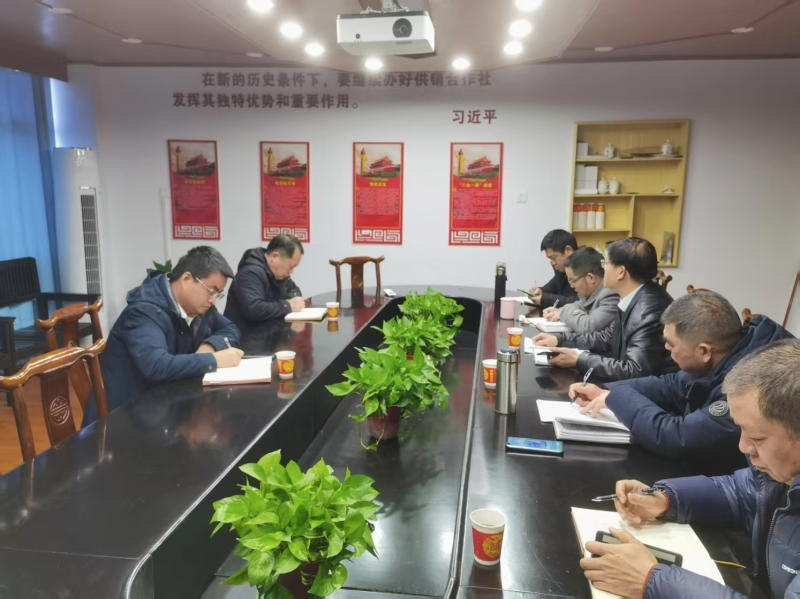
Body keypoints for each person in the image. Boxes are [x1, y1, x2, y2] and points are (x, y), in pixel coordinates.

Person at [579, 340, 800, 599]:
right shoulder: (780, 474)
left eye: (757, 438)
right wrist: (667, 499)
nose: (743, 447)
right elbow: (742, 494)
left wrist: (653, 582)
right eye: (741, 429)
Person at [569, 291, 794, 458]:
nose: (666, 348)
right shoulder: (731, 350)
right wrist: (607, 391)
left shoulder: (756, 382)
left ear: (705, 351)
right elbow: (672, 384)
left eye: (671, 343)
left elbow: (678, 437)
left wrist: (617, 397)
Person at [83, 246, 242, 425]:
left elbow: (230, 328)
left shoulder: (199, 306)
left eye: (218, 295)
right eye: (211, 291)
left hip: (164, 407)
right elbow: (156, 366)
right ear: (187, 279)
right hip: (123, 420)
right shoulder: (144, 312)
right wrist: (213, 360)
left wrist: (210, 346)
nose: (213, 300)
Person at [534, 237, 675, 381]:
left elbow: (634, 371)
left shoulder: (647, 310)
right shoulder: (633, 297)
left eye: (605, 263)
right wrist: (560, 340)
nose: (602, 269)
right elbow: (605, 338)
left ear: (621, 272)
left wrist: (580, 360)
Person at [224, 235, 305, 333]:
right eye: (291, 266)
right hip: (243, 337)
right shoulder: (250, 273)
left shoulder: (279, 274)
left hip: (266, 334)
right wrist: (288, 305)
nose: (291, 271)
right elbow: (254, 310)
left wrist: (296, 300)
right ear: (275, 256)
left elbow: (293, 289)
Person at [543, 246, 619, 334]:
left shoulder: (611, 294)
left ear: (591, 278)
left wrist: (563, 312)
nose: (571, 285)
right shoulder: (591, 293)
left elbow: (589, 326)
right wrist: (559, 311)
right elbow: (579, 305)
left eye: (572, 280)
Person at [528, 229, 579, 309]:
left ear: (568, 250)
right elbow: (552, 287)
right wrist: (539, 291)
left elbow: (578, 302)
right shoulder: (561, 270)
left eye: (554, 258)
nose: (552, 263)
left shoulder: (585, 268)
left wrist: (545, 299)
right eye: (550, 259)